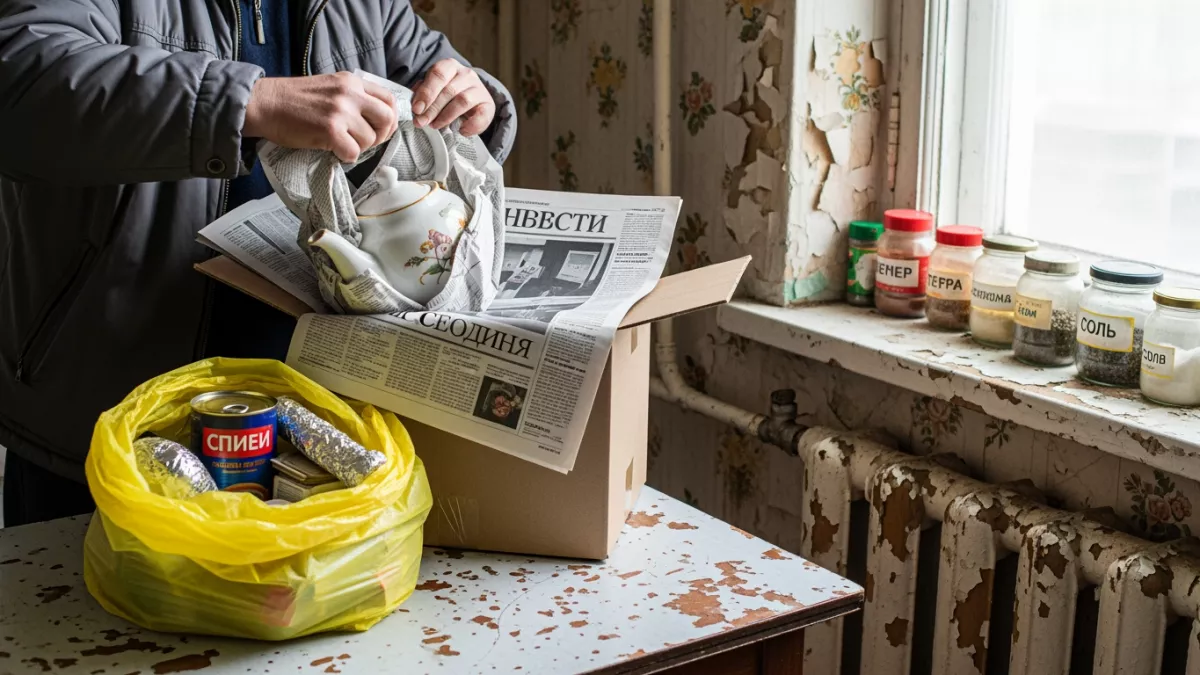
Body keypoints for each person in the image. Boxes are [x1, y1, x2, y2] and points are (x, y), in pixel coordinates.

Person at [0, 0, 516, 527]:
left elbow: (439, 81)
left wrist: (477, 99)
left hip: (321, 436)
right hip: (107, 422)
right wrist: (249, 103)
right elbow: (20, 81)